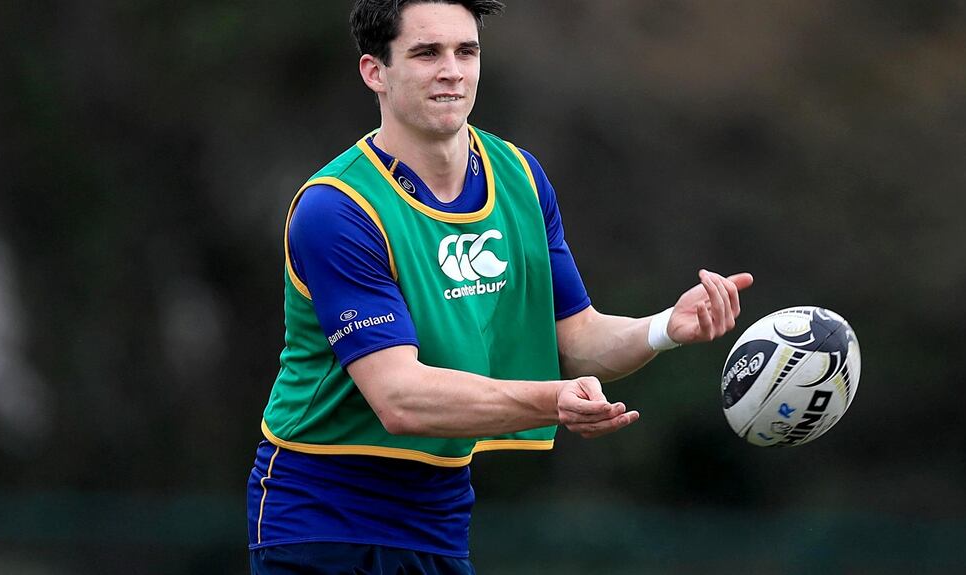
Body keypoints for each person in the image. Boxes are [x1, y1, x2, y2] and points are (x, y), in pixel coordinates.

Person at [247, 1, 754, 573]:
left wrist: (665, 328)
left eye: (466, 51)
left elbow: (577, 339)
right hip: (324, 517)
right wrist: (551, 400)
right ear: (375, 72)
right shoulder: (337, 208)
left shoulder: (520, 176)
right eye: (426, 53)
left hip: (440, 515)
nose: (452, 70)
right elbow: (399, 399)